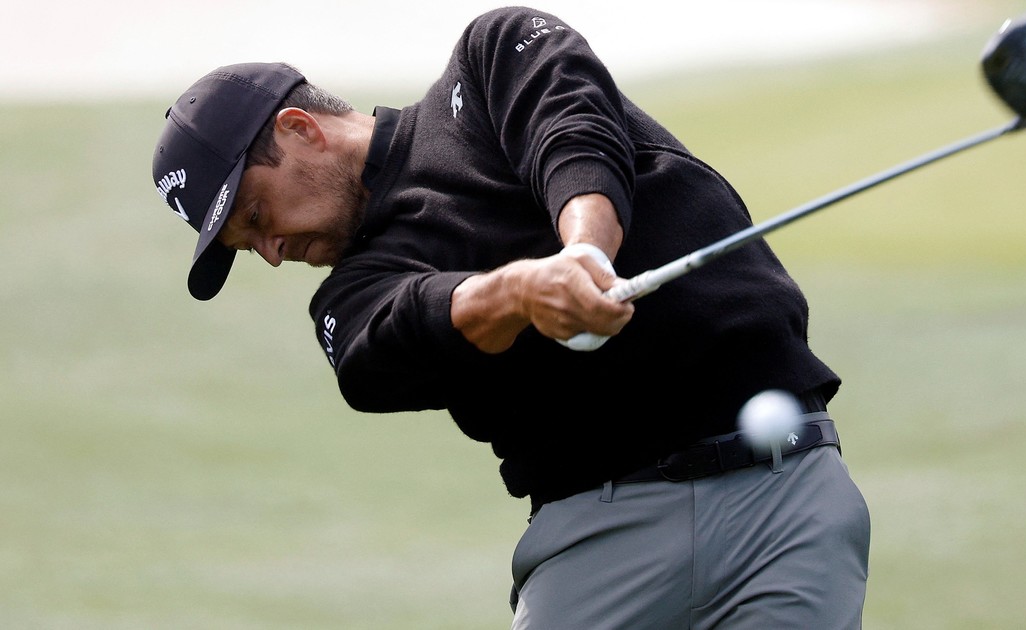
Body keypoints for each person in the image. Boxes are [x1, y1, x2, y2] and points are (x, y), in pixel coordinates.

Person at [150, 6, 870, 628]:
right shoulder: (349, 296)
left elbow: (574, 136)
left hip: (783, 495)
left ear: (300, 128)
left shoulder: (490, 58)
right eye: (249, 248)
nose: (273, 252)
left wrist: (585, 254)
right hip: (595, 543)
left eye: (256, 216)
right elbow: (403, 334)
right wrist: (522, 292)